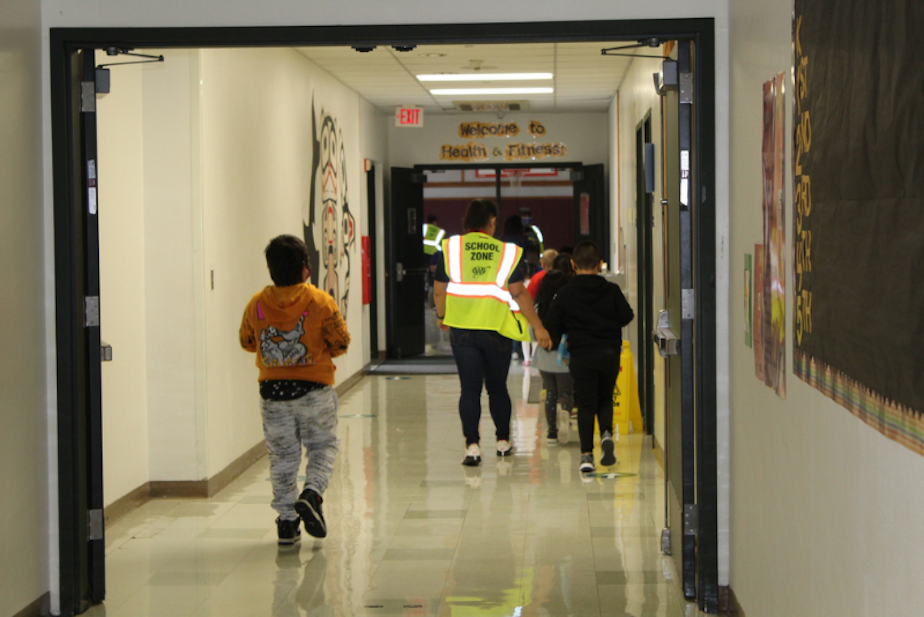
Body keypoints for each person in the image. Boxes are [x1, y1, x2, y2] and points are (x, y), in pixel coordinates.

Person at [239, 234, 351, 545]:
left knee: (283, 457)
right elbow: (340, 341)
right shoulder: (319, 301)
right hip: (315, 388)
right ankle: (312, 494)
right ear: (305, 269)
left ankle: (287, 523)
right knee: (322, 447)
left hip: (273, 393)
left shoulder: (256, 304)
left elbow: (247, 341)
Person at [433, 199, 552, 466]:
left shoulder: (451, 248)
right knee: (497, 388)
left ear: (467, 221)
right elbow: (519, 293)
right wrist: (538, 326)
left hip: (462, 329)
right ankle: (502, 441)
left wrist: (442, 316)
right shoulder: (506, 252)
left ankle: (472, 447)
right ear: (492, 222)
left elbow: (439, 289)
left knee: (470, 390)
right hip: (497, 330)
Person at [543, 241, 634, 473]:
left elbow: (552, 323)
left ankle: (586, 456)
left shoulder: (565, 293)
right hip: (609, 353)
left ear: (573, 265)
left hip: (582, 354)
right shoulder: (611, 290)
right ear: (600, 264)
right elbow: (626, 316)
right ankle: (605, 434)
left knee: (585, 403)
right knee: (605, 398)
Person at [534, 267, 573, 444]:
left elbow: (531, 333)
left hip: (544, 356)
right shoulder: (569, 306)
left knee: (550, 393)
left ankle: (551, 432)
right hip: (564, 356)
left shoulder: (538, 308)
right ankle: (565, 415)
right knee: (565, 393)